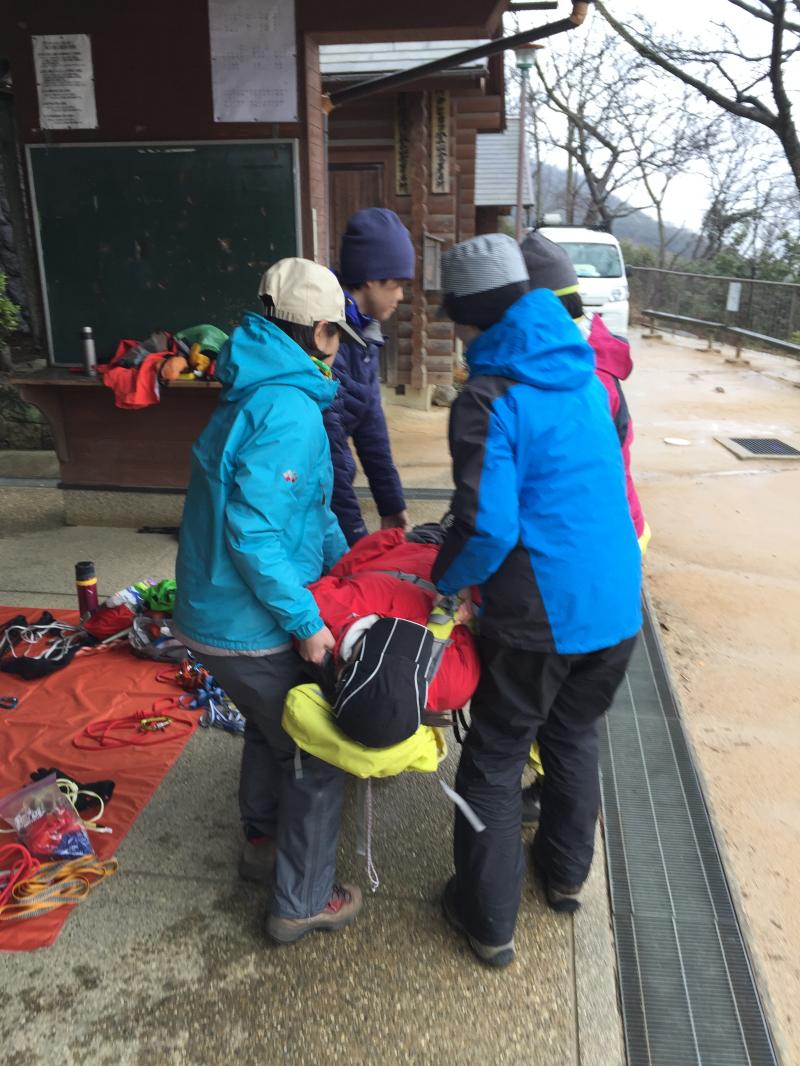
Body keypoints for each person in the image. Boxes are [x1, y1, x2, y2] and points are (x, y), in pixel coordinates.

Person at [432, 233, 642, 968]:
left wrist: (444, 581)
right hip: (617, 606)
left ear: (469, 317)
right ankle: (565, 877)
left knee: (493, 759)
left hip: (540, 618)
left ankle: (487, 920)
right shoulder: (584, 374)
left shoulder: (489, 396)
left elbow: (487, 527)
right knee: (573, 735)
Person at [172, 258, 362, 945]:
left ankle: (261, 844)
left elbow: (310, 508)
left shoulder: (249, 389)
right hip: (245, 624)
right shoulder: (289, 409)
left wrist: (352, 568)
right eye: (335, 334)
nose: (337, 349)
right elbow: (252, 531)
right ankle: (301, 901)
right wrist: (307, 622)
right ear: (315, 332)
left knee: (266, 725)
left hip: (208, 610)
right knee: (315, 753)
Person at [519, 231, 651, 826]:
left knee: (564, 707)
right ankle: (559, 803)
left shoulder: (571, 378)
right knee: (574, 711)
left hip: (591, 549)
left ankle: (553, 795)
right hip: (622, 533)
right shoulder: (594, 358)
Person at [326, 208, 415, 546]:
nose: (400, 296)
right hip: (301, 495)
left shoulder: (364, 331)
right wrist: (354, 540)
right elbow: (330, 456)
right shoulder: (328, 338)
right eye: (397, 284)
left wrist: (390, 502)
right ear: (370, 278)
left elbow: (370, 421)